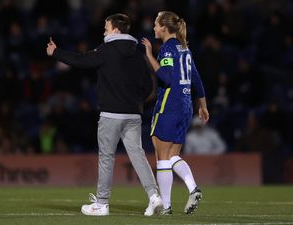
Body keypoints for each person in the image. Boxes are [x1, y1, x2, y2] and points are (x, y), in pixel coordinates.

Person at [46, 14, 162, 216]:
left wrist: (56, 52)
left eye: (106, 28)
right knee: (137, 155)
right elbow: (148, 85)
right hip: (134, 114)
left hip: (111, 114)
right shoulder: (137, 52)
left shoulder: (106, 50)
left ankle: (101, 203)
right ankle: (154, 197)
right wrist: (135, 101)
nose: (104, 31)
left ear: (116, 30)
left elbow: (81, 61)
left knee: (107, 158)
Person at [142, 11, 209, 215]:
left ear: (164, 27)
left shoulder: (168, 49)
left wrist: (150, 56)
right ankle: (192, 188)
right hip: (186, 106)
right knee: (172, 156)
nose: (153, 27)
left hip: (169, 106)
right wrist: (203, 104)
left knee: (161, 156)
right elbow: (195, 78)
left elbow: (167, 78)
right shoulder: (185, 48)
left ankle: (167, 206)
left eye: (156, 24)